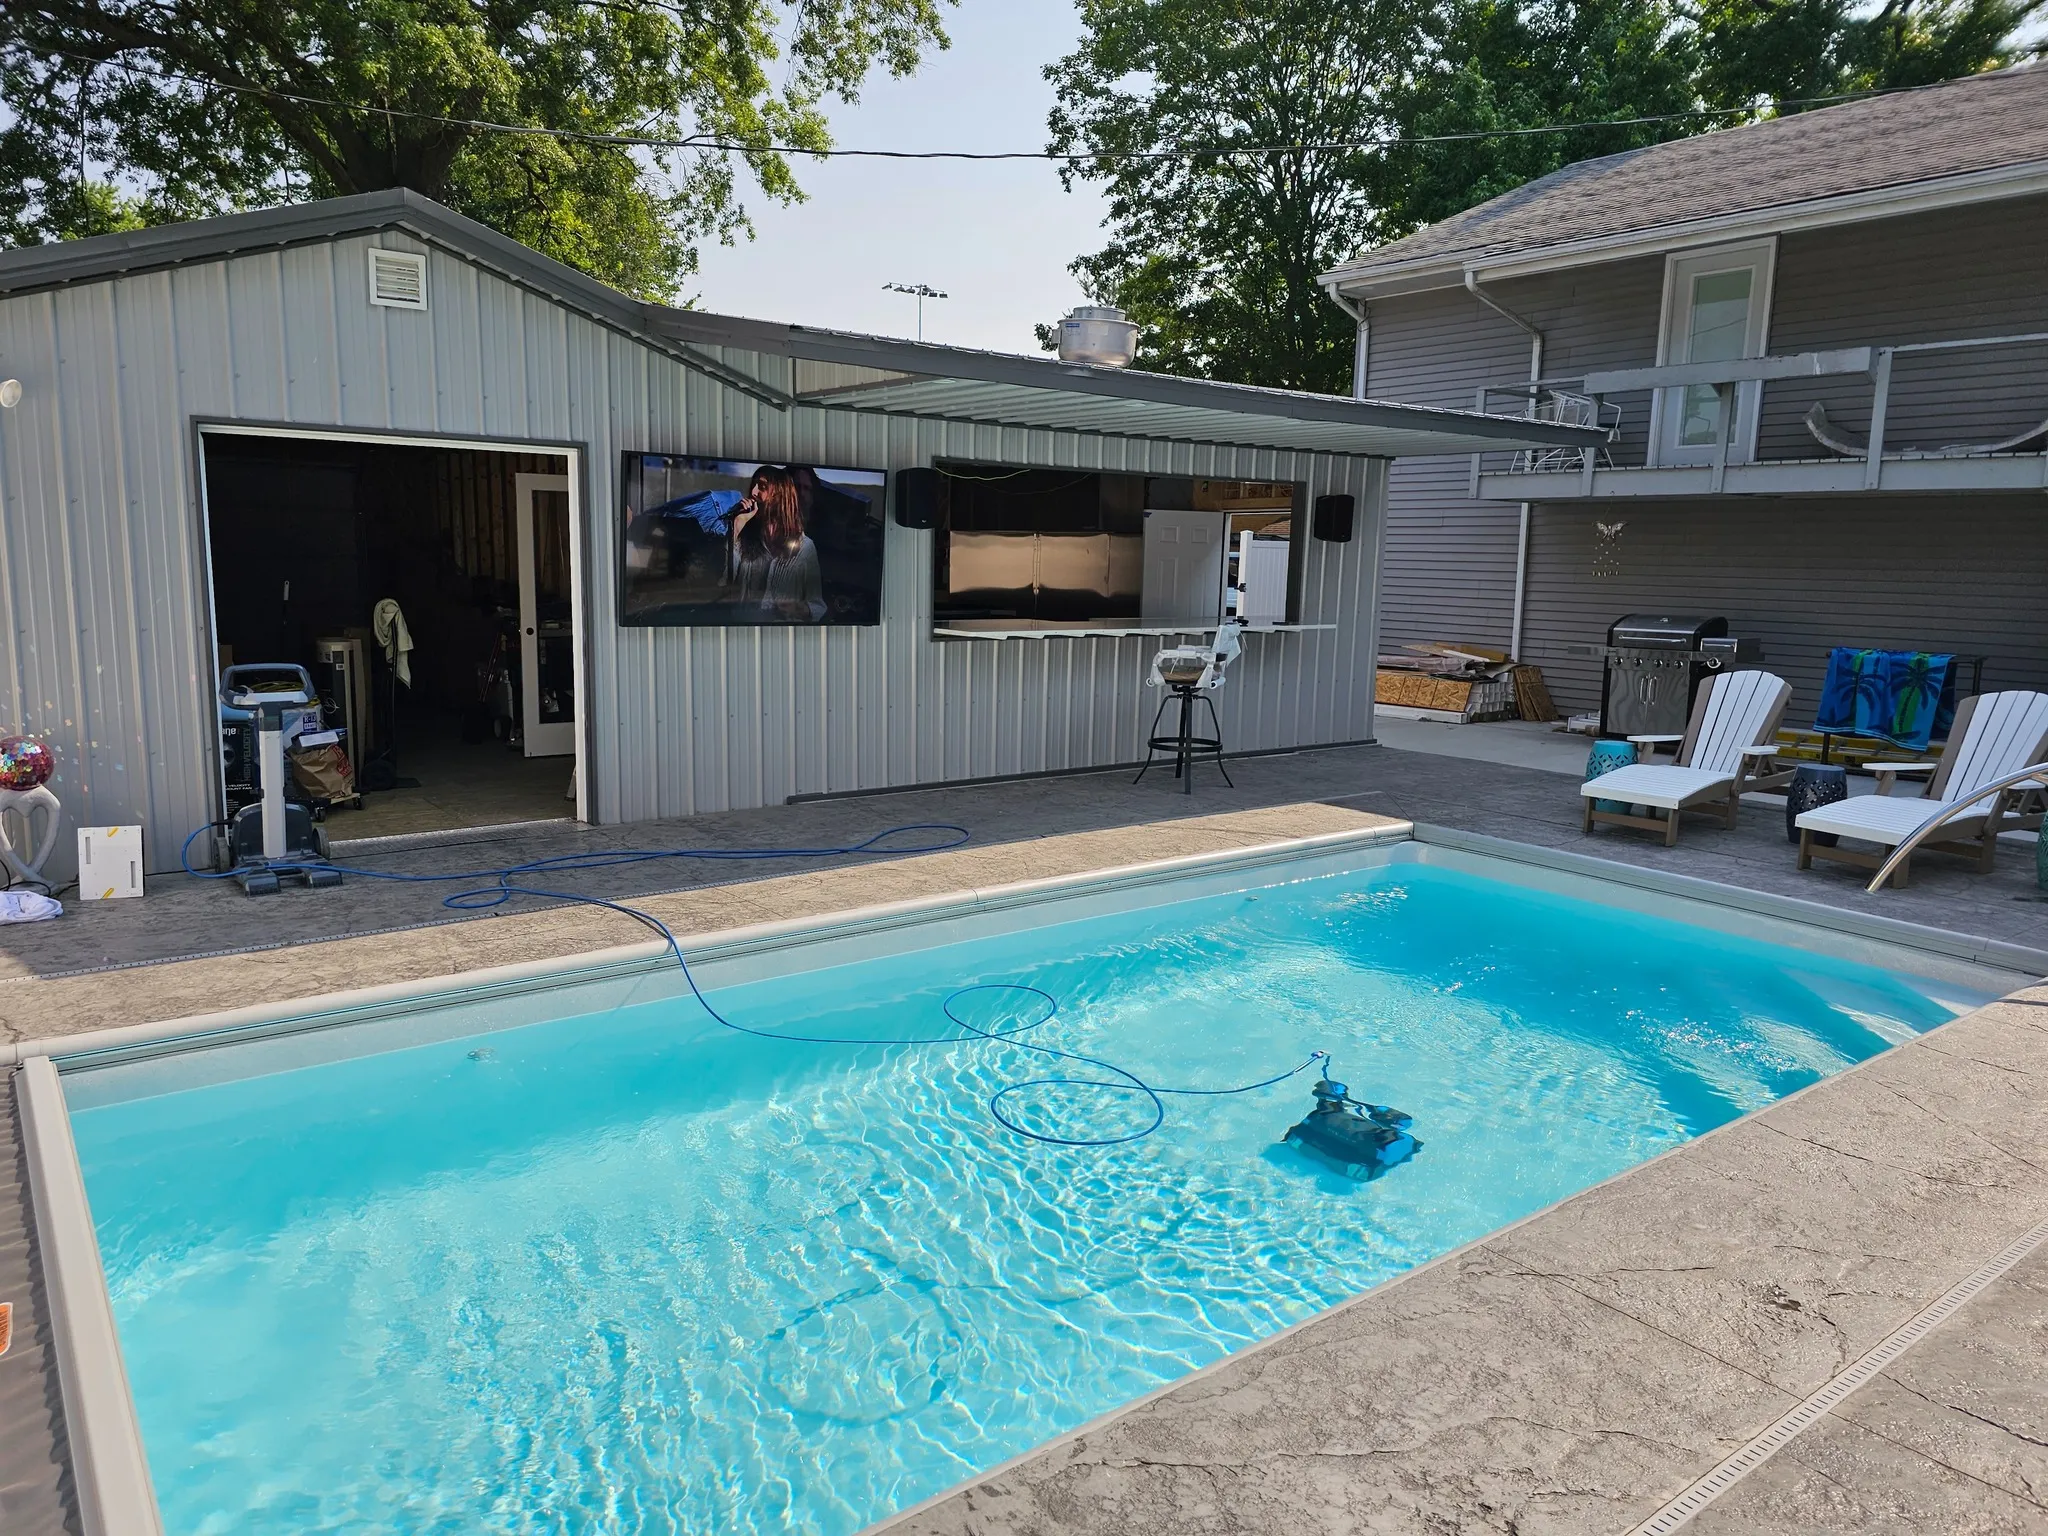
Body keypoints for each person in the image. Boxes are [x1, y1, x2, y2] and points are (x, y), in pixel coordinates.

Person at [725, 465, 826, 621]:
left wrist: (798, 608)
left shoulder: (805, 548)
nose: (753, 493)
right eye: (753, 486)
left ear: (780, 493)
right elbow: (723, 581)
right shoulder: (745, 538)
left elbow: (817, 605)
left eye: (762, 487)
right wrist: (737, 528)